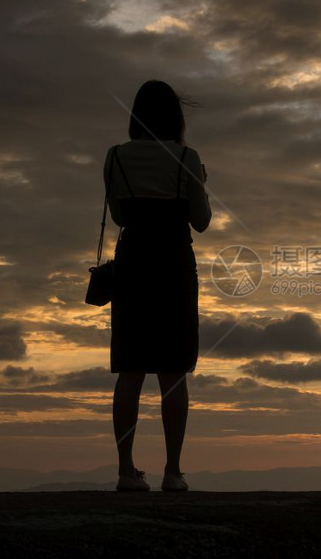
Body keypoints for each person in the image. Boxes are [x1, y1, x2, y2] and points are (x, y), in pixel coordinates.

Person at [104, 80, 211, 492]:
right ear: (175, 118)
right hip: (173, 266)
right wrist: (200, 180)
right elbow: (200, 222)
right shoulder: (187, 158)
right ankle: (173, 471)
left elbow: (118, 215)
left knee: (130, 371)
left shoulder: (115, 158)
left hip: (132, 263)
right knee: (174, 372)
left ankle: (126, 472)